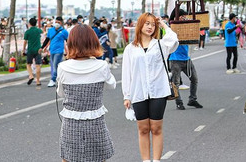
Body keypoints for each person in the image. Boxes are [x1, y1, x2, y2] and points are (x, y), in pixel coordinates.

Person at [121, 13, 179, 162]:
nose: (150, 27)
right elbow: (126, 73)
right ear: (140, 25)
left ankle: (156, 160)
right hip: (138, 92)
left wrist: (163, 24)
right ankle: (146, 160)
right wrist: (127, 96)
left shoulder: (160, 45)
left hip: (158, 92)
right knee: (143, 129)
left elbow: (173, 40)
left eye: (153, 24)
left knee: (156, 128)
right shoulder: (130, 49)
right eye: (147, 23)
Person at [57, 24, 116, 162]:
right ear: (93, 42)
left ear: (71, 43)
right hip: (95, 122)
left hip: (71, 123)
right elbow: (112, 85)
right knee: (99, 158)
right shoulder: (101, 66)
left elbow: (61, 93)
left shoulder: (63, 67)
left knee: (68, 158)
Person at [168, 9, 203, 112]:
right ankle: (179, 102)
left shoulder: (186, 27)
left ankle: (192, 99)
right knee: (175, 83)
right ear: (176, 17)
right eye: (181, 16)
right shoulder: (172, 28)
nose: (184, 18)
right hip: (175, 60)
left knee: (194, 79)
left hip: (186, 59)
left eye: (184, 16)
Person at [42, 16, 68, 87]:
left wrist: (69, 50)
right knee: (55, 66)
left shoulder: (64, 32)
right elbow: (47, 40)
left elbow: (68, 41)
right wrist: (42, 47)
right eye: (56, 22)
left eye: (58, 22)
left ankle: (53, 80)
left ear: (61, 23)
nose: (57, 23)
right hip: (52, 50)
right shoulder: (50, 30)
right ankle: (61, 78)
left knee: (55, 65)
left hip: (59, 51)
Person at [24, 17, 43, 87]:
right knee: (38, 65)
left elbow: (25, 42)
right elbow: (43, 37)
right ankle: (38, 81)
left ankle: (31, 75)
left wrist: (23, 49)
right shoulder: (39, 30)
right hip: (38, 50)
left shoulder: (27, 32)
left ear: (29, 24)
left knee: (28, 64)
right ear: (36, 23)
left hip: (30, 50)